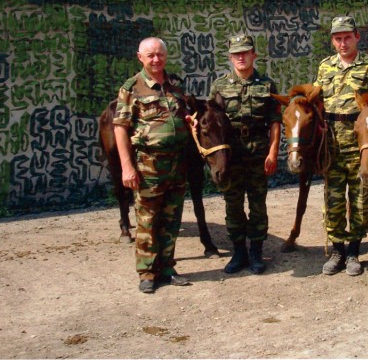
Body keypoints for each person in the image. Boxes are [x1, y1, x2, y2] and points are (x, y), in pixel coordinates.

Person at [113, 37, 193, 293]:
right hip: (148, 165)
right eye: (150, 55)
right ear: (140, 57)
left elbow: (183, 116)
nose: (156, 59)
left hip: (177, 164)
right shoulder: (132, 88)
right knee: (147, 219)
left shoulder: (176, 85)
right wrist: (127, 167)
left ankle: (167, 268)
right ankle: (147, 272)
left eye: (160, 54)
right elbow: (121, 128)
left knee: (172, 218)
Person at [314, 16, 368, 276]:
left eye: (347, 37)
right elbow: (317, 101)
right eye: (337, 38)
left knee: (360, 199)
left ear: (357, 36)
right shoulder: (325, 67)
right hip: (333, 143)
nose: (342, 42)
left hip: (362, 144)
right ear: (332, 40)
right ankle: (337, 250)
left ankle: (354, 251)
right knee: (333, 200)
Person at [208, 33, 281, 275]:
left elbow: (274, 122)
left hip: (258, 153)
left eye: (245, 52)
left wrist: (272, 152)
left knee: (258, 203)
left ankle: (256, 252)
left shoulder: (267, 85)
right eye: (236, 53)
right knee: (233, 203)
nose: (241, 57)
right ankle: (239, 252)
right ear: (230, 57)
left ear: (253, 55)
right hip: (231, 156)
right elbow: (211, 122)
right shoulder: (219, 86)